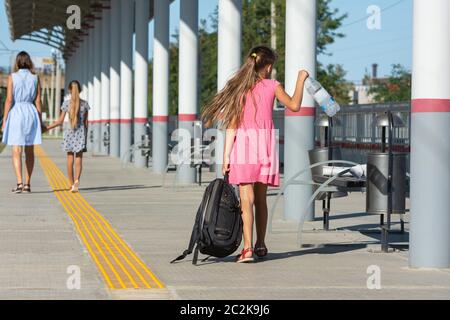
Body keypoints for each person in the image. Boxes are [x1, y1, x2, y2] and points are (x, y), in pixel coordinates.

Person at [202, 45, 309, 263]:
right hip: (265, 145)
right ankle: (261, 245)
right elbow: (295, 106)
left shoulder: (239, 89)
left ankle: (248, 248)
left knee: (246, 200)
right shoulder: (273, 86)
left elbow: (231, 125)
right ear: (268, 67)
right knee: (261, 200)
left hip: (244, 146)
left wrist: (225, 157)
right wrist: (301, 79)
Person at [1, 51, 42, 193]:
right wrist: (40, 121)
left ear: (17, 62)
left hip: (17, 112)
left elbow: (9, 100)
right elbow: (38, 100)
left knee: (16, 150)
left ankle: (19, 182)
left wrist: (4, 120)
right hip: (31, 112)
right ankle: (27, 184)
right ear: (29, 62)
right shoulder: (36, 78)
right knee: (30, 150)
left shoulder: (12, 77)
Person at [45, 80, 90, 193]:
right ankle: (76, 182)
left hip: (69, 133)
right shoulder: (85, 104)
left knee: (70, 160)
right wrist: (85, 137)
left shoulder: (66, 104)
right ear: (80, 90)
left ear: (70, 90)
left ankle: (71, 184)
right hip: (80, 133)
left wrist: (46, 128)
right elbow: (85, 123)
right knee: (79, 160)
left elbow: (60, 121)